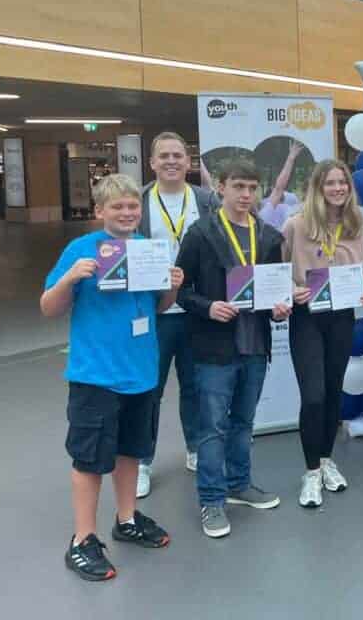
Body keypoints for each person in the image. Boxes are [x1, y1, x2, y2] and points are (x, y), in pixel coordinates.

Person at [41, 174, 183, 582]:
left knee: (131, 451)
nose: (126, 213)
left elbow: (159, 307)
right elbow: (49, 307)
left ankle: (126, 519)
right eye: (116, 207)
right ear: (99, 211)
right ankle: (82, 539)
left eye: (132, 206)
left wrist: (172, 285)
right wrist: (71, 278)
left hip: (141, 371)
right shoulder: (80, 249)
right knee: (89, 459)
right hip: (96, 375)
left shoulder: (149, 249)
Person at [175, 159, 290, 538]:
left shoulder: (270, 237)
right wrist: (208, 307)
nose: (245, 195)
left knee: (243, 422)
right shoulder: (201, 234)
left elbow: (274, 292)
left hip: (255, 346)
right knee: (211, 427)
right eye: (238, 186)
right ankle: (211, 499)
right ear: (220, 188)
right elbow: (182, 289)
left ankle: (239, 484)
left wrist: (278, 309)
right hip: (213, 348)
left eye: (252, 188)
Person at [282, 159, 363, 508]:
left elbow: (359, 272)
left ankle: (325, 460)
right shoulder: (296, 225)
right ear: (318, 188)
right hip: (307, 318)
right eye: (330, 183)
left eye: (343, 183)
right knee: (314, 395)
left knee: (333, 391)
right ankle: (310, 473)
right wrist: (292, 289)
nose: (337, 189)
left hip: (341, 317)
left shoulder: (357, 226)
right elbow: (277, 270)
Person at [136, 131, 216, 500]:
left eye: (178, 155)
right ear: (152, 163)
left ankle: (197, 448)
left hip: (196, 310)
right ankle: (141, 462)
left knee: (195, 387)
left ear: (189, 162)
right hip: (154, 312)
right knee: (148, 390)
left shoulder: (206, 199)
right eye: (163, 156)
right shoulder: (137, 202)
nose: (171, 161)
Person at [259, 139, 305, 231]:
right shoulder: (262, 214)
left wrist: (291, 158)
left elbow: (279, 188)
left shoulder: (264, 214)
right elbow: (278, 189)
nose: (247, 195)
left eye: (252, 188)